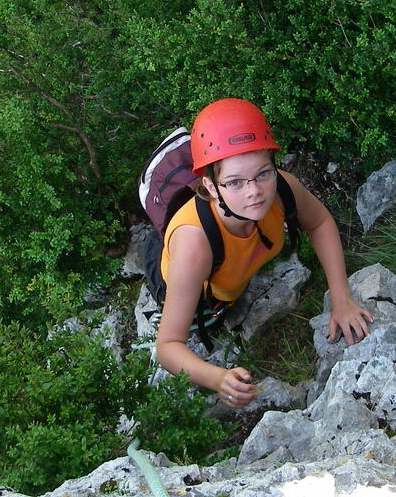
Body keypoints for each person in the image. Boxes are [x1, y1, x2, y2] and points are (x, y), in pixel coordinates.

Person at [155, 98, 373, 407]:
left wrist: (341, 297)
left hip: (230, 266)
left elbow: (321, 222)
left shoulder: (282, 188)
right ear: (211, 187)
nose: (254, 191)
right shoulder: (194, 245)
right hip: (189, 281)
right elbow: (168, 345)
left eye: (263, 174)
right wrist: (216, 378)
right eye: (235, 182)